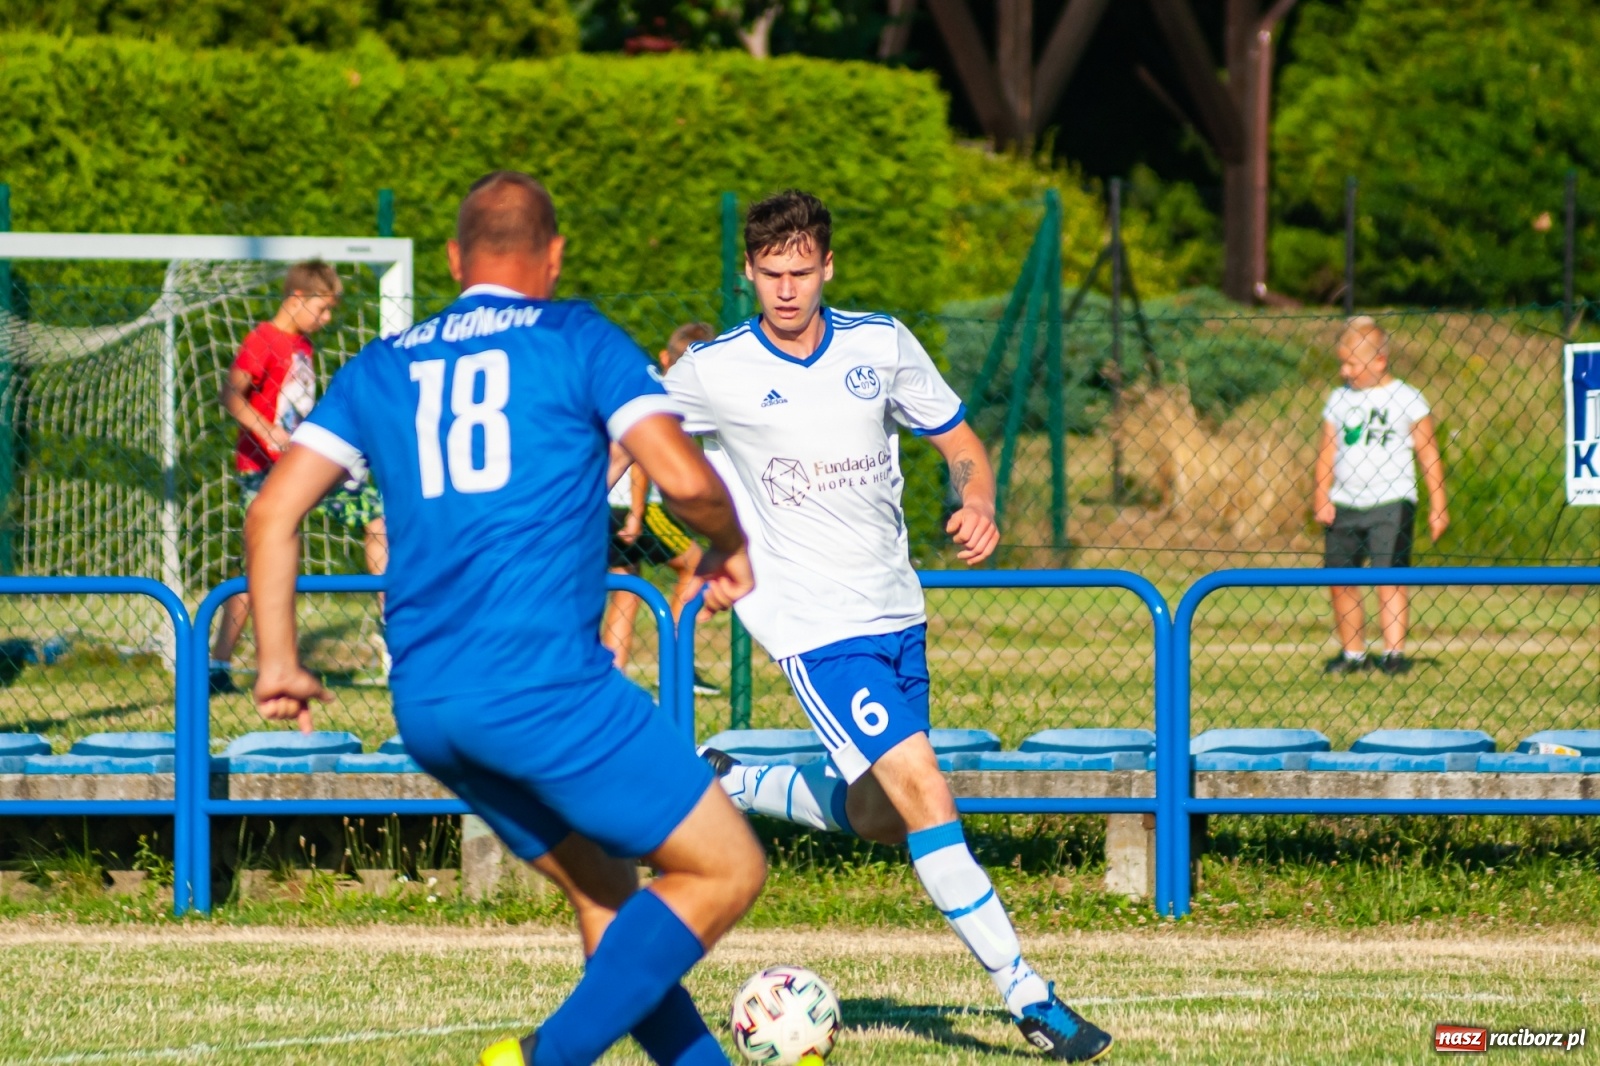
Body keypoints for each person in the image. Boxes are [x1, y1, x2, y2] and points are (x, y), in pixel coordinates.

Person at [244, 171, 765, 1066]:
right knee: (727, 867)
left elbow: (271, 513)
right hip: (543, 687)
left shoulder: (381, 365)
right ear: (554, 256)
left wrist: (278, 659)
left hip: (429, 705)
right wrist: (731, 545)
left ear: (454, 259)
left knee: (607, 895)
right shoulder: (578, 338)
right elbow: (684, 479)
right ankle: (539, 1059)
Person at [670, 189, 1113, 1062]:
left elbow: (960, 443)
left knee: (883, 814)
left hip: (898, 613)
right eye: (771, 273)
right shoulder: (712, 370)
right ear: (748, 272)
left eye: (802, 272)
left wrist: (978, 500)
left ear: (827, 267)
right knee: (927, 794)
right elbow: (626, 446)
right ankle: (1030, 997)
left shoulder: (881, 344)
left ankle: (737, 782)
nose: (787, 290)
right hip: (815, 628)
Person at [209, 260, 388, 695]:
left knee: (378, 520)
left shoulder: (303, 346)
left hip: (304, 465)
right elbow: (231, 393)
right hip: (264, 469)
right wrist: (265, 429)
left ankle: (393, 633)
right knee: (260, 563)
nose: (326, 319)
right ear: (296, 299)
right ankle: (217, 665)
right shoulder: (264, 340)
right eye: (322, 309)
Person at [1314, 316, 1449, 675]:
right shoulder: (1339, 399)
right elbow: (1327, 451)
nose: (1345, 371)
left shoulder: (1407, 398)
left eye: (1351, 364)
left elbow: (1428, 453)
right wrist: (1322, 495)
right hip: (1345, 502)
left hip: (1392, 501)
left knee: (1389, 577)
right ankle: (1353, 655)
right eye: (1342, 363)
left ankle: (1393, 654)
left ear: (1379, 361)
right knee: (1340, 581)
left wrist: (1438, 505)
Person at [603, 321, 723, 696]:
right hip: (634, 505)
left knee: (627, 588)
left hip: (605, 503)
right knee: (696, 565)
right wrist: (638, 513)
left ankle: (614, 676)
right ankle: (676, 665)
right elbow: (640, 454)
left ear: (664, 357)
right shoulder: (669, 398)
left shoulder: (638, 382)